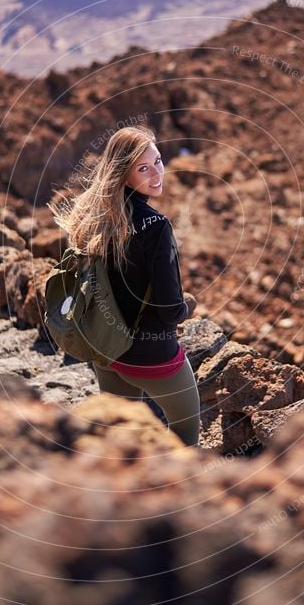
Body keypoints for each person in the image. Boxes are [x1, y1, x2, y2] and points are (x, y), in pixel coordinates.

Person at [47, 124, 200, 446]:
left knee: (122, 443)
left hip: (108, 351)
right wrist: (187, 305)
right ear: (123, 173)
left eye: (158, 161)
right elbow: (169, 309)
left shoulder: (96, 220)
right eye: (143, 168)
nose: (157, 173)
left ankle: (126, 492)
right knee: (187, 438)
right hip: (153, 355)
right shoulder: (157, 227)